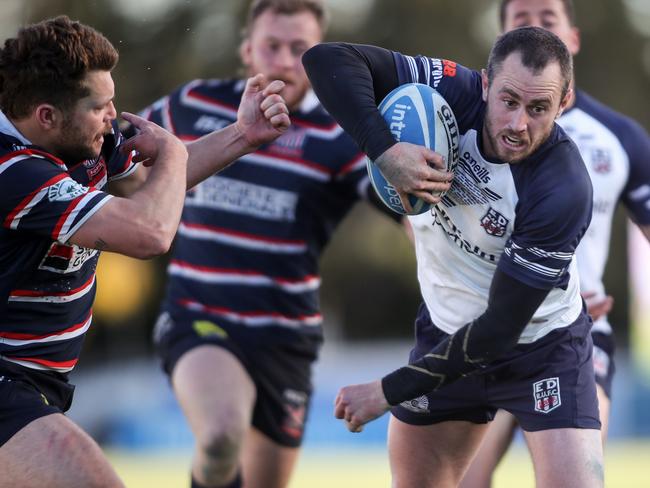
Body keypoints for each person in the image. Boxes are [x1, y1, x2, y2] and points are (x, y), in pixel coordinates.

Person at [303, 26, 605, 488]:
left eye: (539, 108)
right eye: (508, 101)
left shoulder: (562, 189)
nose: (518, 124)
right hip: (446, 332)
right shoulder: (450, 90)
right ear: (484, 84)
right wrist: (384, 151)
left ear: (563, 102)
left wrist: (388, 390)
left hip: (544, 351)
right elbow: (328, 59)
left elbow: (500, 329)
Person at [0, 15, 289, 488]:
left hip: (35, 385)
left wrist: (243, 135)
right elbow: (150, 231)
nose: (114, 116)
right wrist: (171, 151)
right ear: (47, 116)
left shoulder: (78, 138)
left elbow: (150, 188)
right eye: (102, 106)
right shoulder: (13, 173)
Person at [136, 1, 397, 487]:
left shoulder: (341, 136)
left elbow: (405, 213)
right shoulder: (192, 105)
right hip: (200, 317)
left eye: (301, 49)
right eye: (271, 46)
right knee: (219, 439)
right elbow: (116, 160)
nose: (282, 60)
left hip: (285, 337)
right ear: (246, 50)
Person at [458, 1, 650, 486]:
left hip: (577, 331)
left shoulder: (621, 138)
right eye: (521, 19)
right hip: (478, 329)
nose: (535, 27)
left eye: (548, 18)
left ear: (574, 38)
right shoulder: (459, 125)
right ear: (500, 42)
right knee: (461, 478)